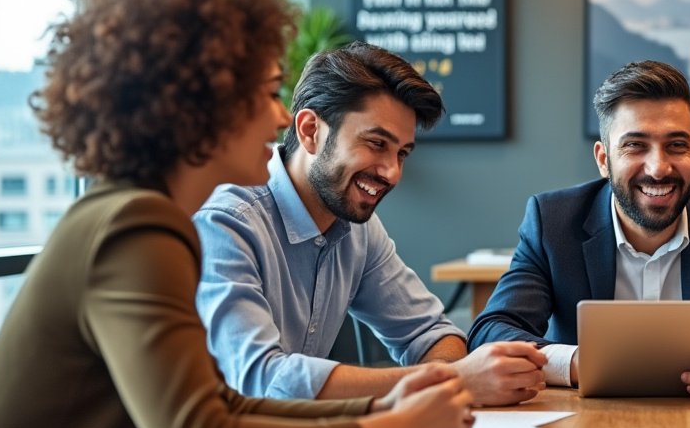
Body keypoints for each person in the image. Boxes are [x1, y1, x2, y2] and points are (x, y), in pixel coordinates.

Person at [0, 0, 474, 428]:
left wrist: (384, 404)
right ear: (203, 105)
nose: (277, 116)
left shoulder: (134, 215)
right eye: (268, 92)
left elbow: (222, 406)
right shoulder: (136, 228)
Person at [195, 43, 545, 407]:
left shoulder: (358, 230)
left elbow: (431, 333)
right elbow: (261, 380)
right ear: (310, 130)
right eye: (377, 143)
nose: (392, 172)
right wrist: (453, 379)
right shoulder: (227, 223)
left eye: (402, 153)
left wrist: (443, 379)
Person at [466, 60, 690, 399]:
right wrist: (580, 364)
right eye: (635, 146)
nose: (658, 168)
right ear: (603, 160)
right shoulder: (553, 221)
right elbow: (491, 331)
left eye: (676, 146)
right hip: (580, 423)